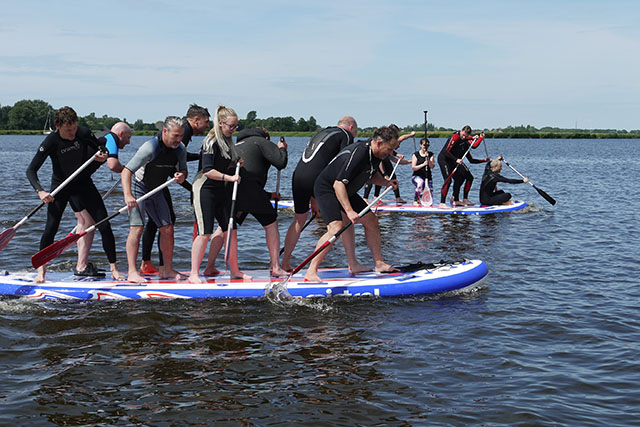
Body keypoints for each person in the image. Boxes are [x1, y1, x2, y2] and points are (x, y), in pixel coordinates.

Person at [26, 106, 123, 283]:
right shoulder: (51, 141)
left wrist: (103, 154)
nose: (72, 134)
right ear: (57, 126)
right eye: (68, 131)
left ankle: (114, 269)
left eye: (74, 129)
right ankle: (41, 270)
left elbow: (101, 147)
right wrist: (40, 191)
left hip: (82, 184)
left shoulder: (83, 132)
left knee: (104, 224)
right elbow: (31, 170)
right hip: (60, 187)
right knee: (51, 227)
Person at [304, 126, 399, 283]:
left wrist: (386, 182)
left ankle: (375, 263)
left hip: (345, 190)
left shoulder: (376, 156)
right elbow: (338, 184)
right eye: (389, 149)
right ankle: (311, 270)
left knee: (372, 221)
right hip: (328, 188)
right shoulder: (360, 153)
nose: (390, 153)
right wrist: (349, 210)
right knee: (336, 228)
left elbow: (370, 175)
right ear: (380, 142)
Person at [201, 128, 288, 277]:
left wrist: (267, 195)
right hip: (249, 188)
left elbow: (249, 172)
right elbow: (280, 163)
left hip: (231, 187)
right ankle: (276, 267)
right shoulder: (261, 141)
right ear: (266, 137)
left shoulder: (237, 144)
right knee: (271, 223)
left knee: (224, 227)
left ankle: (209, 266)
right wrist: (282, 150)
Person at [281, 116, 363, 273]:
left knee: (299, 221)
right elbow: (344, 162)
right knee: (344, 219)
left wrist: (314, 199)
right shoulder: (346, 135)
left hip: (298, 175)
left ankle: (284, 263)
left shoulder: (323, 132)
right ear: (351, 127)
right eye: (356, 131)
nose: (355, 135)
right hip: (316, 178)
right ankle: (352, 263)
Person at [140, 104, 210, 274]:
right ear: (196, 120)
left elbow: (179, 159)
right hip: (151, 180)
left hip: (157, 179)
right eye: (206, 122)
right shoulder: (184, 131)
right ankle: (154, 264)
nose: (208, 126)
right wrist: (191, 187)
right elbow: (176, 163)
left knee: (158, 222)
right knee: (163, 222)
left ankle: (150, 263)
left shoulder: (184, 132)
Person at [122, 116, 188, 283]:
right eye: (175, 136)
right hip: (140, 187)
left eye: (181, 136)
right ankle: (132, 272)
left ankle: (167, 270)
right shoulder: (150, 147)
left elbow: (183, 172)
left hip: (157, 189)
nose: (178, 140)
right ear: (165, 131)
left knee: (167, 228)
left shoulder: (180, 149)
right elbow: (126, 171)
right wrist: (128, 195)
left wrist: (181, 176)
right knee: (137, 227)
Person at [188, 105, 249, 283]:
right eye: (231, 126)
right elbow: (207, 171)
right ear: (220, 124)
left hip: (220, 190)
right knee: (204, 232)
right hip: (204, 189)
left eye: (236, 126)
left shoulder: (228, 141)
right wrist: (230, 178)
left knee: (231, 229)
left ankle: (235, 271)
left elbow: (224, 162)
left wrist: (236, 162)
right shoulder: (210, 142)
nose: (234, 129)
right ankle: (193, 274)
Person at [437, 125, 488, 208]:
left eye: (466, 136)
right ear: (461, 130)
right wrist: (456, 159)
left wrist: (480, 138)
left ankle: (456, 200)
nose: (464, 137)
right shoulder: (455, 137)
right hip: (444, 159)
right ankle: (442, 203)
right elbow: (445, 151)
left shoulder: (464, 141)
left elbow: (473, 147)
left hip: (452, 160)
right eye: (463, 135)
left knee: (460, 178)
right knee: (448, 181)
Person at [363, 126, 414, 204]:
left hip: (385, 160)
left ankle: (397, 198)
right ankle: (368, 198)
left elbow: (396, 160)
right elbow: (402, 138)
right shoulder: (389, 141)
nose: (398, 145)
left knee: (393, 177)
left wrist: (410, 161)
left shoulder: (390, 147)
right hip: (378, 161)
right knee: (374, 176)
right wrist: (411, 134)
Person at [411, 137, 435, 206]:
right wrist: (423, 164)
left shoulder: (430, 154)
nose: (426, 147)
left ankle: (421, 198)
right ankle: (415, 200)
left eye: (427, 145)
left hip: (428, 177)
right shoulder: (416, 155)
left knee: (429, 197)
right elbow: (414, 168)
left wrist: (428, 160)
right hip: (417, 176)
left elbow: (432, 166)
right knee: (421, 183)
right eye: (424, 145)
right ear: (420, 145)